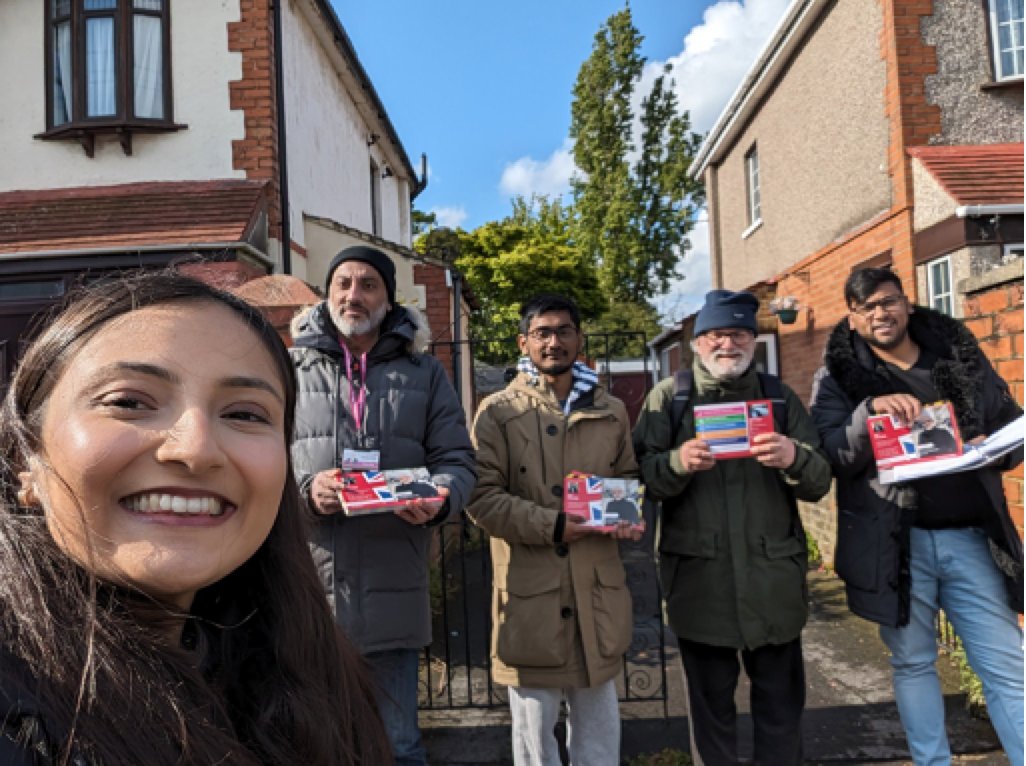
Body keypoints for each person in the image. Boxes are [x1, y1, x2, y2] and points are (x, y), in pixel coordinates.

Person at [0, 272, 391, 765]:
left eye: (246, 414)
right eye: (128, 402)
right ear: (25, 458)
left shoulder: (306, 677)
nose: (197, 449)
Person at [810, 267, 1024, 766]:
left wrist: (987, 448)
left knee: (1007, 664)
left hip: (972, 538)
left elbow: (1011, 427)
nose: (879, 314)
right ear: (853, 317)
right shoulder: (838, 377)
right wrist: (868, 413)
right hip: (894, 545)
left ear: (906, 302)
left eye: (887, 302)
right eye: (866, 308)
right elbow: (831, 455)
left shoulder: (957, 357)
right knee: (912, 663)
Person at [290, 245, 476, 765]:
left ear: (388, 298)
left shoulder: (424, 374)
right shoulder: (289, 371)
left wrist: (440, 500)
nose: (354, 295)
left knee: (397, 746)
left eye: (368, 284)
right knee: (317, 745)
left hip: (394, 593)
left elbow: (458, 462)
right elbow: (256, 462)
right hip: (310, 596)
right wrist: (305, 490)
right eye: (342, 283)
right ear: (327, 295)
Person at [633, 289, 832, 766]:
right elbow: (638, 480)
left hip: (773, 585)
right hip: (701, 585)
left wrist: (793, 457)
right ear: (698, 343)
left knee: (782, 712)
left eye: (739, 334)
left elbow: (820, 479)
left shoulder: (778, 398)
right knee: (711, 718)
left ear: (754, 340)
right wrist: (677, 462)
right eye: (717, 335)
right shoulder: (670, 399)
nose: (729, 345)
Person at [466, 293, 643, 766]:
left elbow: (626, 479)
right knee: (534, 742)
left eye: (564, 331)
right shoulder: (497, 412)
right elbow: (480, 499)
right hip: (530, 597)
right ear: (524, 342)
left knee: (600, 736)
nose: (553, 341)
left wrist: (626, 513)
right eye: (542, 333)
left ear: (579, 339)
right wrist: (555, 525)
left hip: (597, 595)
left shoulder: (612, 411)